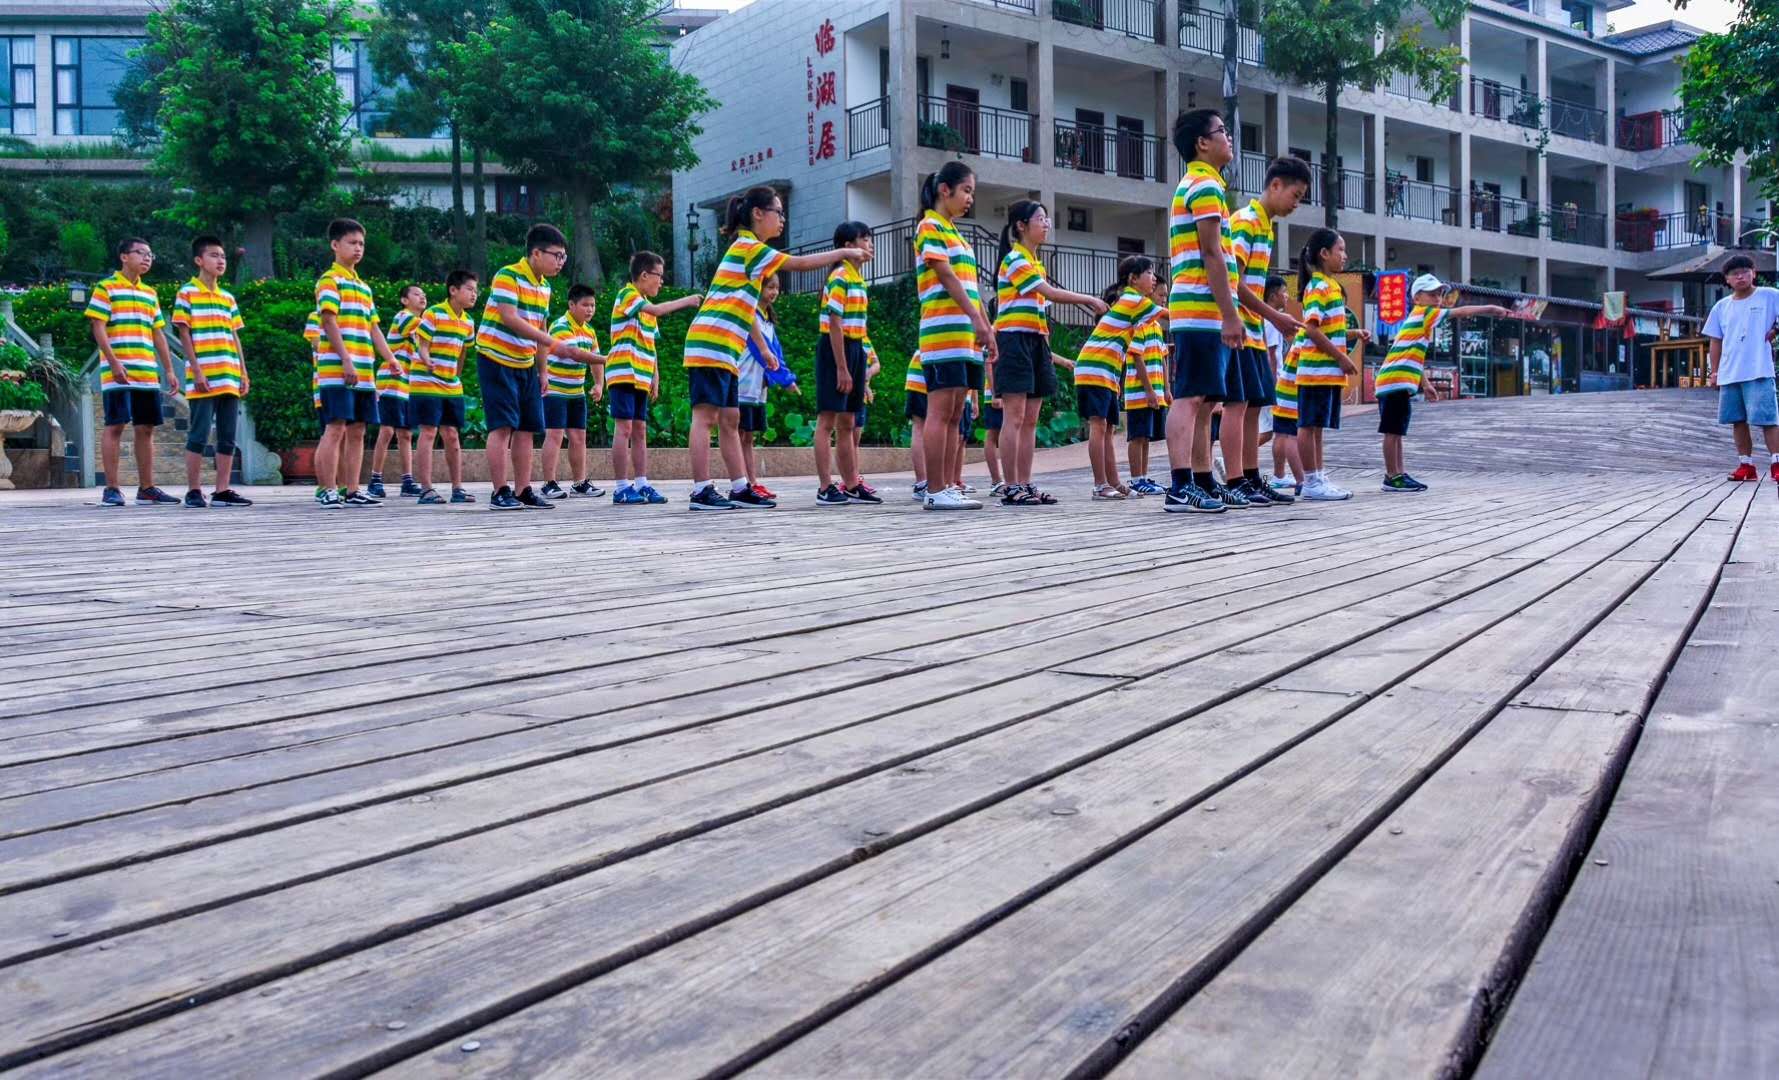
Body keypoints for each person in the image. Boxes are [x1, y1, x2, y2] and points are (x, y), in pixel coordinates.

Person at [682, 186, 865, 510]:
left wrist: (764, 348)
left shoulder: (750, 252)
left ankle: (740, 487)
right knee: (706, 417)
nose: (782, 219)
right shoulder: (750, 246)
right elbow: (799, 263)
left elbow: (745, 305)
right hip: (711, 341)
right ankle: (700, 490)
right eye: (778, 212)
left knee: (730, 417)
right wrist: (842, 253)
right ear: (758, 214)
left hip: (725, 346)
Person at [991, 199, 1108, 504]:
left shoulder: (1034, 262)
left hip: (1036, 341)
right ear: (1021, 226)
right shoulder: (1016, 259)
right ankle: (1011, 485)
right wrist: (1090, 299)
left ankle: (1026, 484)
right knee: (1014, 417)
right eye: (1040, 219)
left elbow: (1042, 305)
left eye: (1047, 219)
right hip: (1014, 339)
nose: (1046, 224)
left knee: (1030, 418)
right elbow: (1048, 292)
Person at [1161, 109, 1242, 514]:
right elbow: (1212, 254)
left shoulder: (1204, 183)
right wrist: (1230, 314)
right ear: (1202, 143)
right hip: (1199, 307)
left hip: (1202, 309)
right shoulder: (1204, 186)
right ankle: (1179, 486)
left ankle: (1202, 480)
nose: (1229, 138)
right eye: (1222, 131)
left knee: (1206, 400)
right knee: (1191, 397)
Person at [1227, 156, 1312, 506]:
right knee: (1237, 404)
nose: (1296, 203)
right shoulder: (1245, 222)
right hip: (1239, 326)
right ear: (1275, 185)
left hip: (1254, 329)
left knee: (1252, 406)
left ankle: (1249, 475)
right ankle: (1234, 478)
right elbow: (1233, 281)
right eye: (1296, 194)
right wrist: (1273, 316)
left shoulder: (1265, 226)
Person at [1376, 274, 1507, 492]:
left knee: (1397, 431)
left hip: (1398, 381)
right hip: (1395, 382)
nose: (1438, 297)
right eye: (1432, 293)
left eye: (1440, 293)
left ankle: (1398, 473)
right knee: (1392, 431)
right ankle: (1392, 476)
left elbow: (1413, 357)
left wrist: (1425, 384)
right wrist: (1491, 308)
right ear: (1417, 298)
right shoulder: (1425, 314)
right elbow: (1460, 312)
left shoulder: (1420, 320)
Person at [477, 223, 575, 511]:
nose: (560, 262)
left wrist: (543, 371)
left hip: (525, 363)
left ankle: (522, 490)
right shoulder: (508, 275)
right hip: (496, 359)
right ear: (536, 253)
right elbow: (509, 318)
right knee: (502, 426)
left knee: (528, 428)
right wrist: (552, 341)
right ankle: (499, 492)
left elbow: (540, 326)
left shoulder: (544, 287)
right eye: (556, 255)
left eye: (563, 257)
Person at [916, 162, 997, 511]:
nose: (969, 199)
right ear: (944, 190)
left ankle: (947, 484)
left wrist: (985, 325)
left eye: (972, 193)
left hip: (964, 335)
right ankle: (934, 489)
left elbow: (972, 287)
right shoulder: (929, 226)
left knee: (954, 414)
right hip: (942, 332)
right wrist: (976, 320)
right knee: (940, 410)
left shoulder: (957, 233)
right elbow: (947, 277)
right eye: (966, 191)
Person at [315, 218, 401, 507]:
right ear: (335, 245)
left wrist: (389, 359)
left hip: (364, 369)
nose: (358, 248)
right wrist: (346, 360)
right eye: (352, 243)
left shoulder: (364, 287)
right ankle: (328, 489)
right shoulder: (329, 280)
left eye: (361, 243)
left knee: (359, 430)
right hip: (337, 369)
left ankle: (352, 490)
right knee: (335, 427)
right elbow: (328, 321)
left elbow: (373, 327)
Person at [608, 251, 701, 505]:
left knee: (640, 430)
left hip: (641, 374)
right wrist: (687, 300)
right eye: (659, 276)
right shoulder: (628, 295)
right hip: (623, 371)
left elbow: (651, 345)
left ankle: (641, 483)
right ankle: (620, 487)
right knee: (624, 428)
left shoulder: (646, 305)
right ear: (644, 275)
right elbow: (658, 310)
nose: (661, 281)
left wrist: (654, 376)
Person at [91, 237, 178, 507]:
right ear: (123, 256)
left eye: (150, 254)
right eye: (140, 253)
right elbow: (98, 327)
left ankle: (147, 488)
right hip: (117, 371)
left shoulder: (150, 293)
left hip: (146, 372)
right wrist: (114, 362)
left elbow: (158, 334)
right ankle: (112, 488)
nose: (147, 258)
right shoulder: (106, 287)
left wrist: (169, 370)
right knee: (115, 424)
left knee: (146, 427)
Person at [171, 235, 251, 508]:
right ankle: (194, 490)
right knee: (199, 432)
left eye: (223, 256)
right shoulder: (187, 293)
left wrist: (243, 372)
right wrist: (197, 370)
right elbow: (184, 334)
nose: (221, 261)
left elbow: (235, 337)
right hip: (203, 375)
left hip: (229, 373)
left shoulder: (227, 298)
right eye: (214, 255)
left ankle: (222, 490)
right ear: (199, 260)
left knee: (228, 435)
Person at [1291, 228, 1369, 501]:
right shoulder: (1319, 286)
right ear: (1324, 254)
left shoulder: (1331, 285)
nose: (1344, 256)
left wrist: (1352, 334)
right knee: (1309, 425)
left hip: (1325, 372)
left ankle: (1318, 476)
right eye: (1341, 250)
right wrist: (1341, 357)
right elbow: (1311, 329)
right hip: (1316, 371)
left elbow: (1326, 328)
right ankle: (1310, 480)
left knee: (1317, 427)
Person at [1077, 256, 1164, 501]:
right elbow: (1170, 315)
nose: (1154, 278)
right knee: (1099, 425)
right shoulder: (1134, 299)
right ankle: (1099, 484)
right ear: (1133, 279)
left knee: (1108, 428)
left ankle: (1113, 481)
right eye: (1149, 273)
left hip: (1106, 371)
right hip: (1095, 368)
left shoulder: (1134, 301)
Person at [815, 221, 880, 505]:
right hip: (835, 348)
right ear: (847, 247)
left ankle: (852, 484)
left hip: (854, 349)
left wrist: (858, 367)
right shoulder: (840, 275)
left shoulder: (858, 280)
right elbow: (835, 323)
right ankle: (825, 487)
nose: (870, 244)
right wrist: (841, 367)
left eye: (869, 239)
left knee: (849, 421)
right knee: (827, 420)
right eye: (864, 239)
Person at [1703, 252, 1779, 482]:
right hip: (1730, 372)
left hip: (1759, 369)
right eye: (1735, 274)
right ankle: (1746, 465)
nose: (1741, 277)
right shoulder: (1721, 307)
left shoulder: (1770, 295)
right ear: (1727, 279)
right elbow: (1715, 340)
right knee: (1737, 420)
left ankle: (1777, 463)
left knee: (1767, 418)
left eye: (1745, 272)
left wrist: (1776, 329)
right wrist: (1714, 372)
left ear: (1754, 273)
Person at [411, 270, 478, 505]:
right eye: (469, 289)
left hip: (451, 384)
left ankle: (457, 488)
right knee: (428, 432)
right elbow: (422, 344)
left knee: (451, 434)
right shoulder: (433, 314)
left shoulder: (468, 322)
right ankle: (426, 489)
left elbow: (463, 351)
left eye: (476, 291)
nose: (474, 295)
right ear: (453, 290)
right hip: (425, 381)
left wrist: (456, 376)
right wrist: (427, 359)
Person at [539, 283, 607, 500]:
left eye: (593, 305)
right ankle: (549, 483)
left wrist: (599, 385)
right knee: (555, 435)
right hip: (555, 390)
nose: (590, 310)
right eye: (585, 305)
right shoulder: (561, 326)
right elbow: (575, 354)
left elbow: (595, 361)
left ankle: (579, 483)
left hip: (576, 392)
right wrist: (609, 358)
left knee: (579, 437)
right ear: (571, 305)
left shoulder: (589, 331)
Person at [369, 284, 425, 500]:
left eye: (424, 295)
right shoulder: (404, 317)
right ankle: (375, 479)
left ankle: (407, 481)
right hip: (391, 381)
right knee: (387, 430)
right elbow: (429, 329)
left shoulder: (417, 325)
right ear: (404, 300)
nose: (422, 297)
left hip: (408, 384)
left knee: (406, 433)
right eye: (416, 294)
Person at [1124, 274, 1172, 496]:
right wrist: (1149, 390)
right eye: (1161, 294)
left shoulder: (1156, 327)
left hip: (1156, 391)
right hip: (1139, 393)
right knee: (1137, 436)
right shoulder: (1140, 324)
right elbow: (1137, 357)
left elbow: (1163, 358)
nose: (1164, 299)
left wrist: (1166, 389)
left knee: (1147, 436)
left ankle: (1143, 476)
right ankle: (1135, 478)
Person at [1264, 276, 1306, 495]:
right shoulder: (1272, 321)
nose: (1287, 296)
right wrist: (1272, 383)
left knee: (1279, 432)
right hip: (1280, 383)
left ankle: (1279, 475)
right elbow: (1271, 355)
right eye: (1284, 292)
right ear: (1272, 296)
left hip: (1279, 383)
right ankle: (1301, 479)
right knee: (1288, 432)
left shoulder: (1271, 320)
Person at [905, 351, 929, 501]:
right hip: (923, 372)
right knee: (920, 426)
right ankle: (922, 483)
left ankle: (927, 482)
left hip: (925, 368)